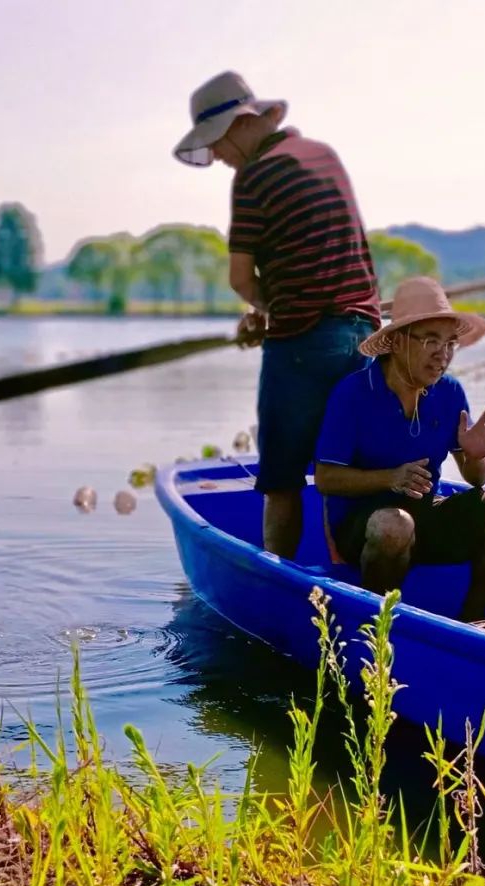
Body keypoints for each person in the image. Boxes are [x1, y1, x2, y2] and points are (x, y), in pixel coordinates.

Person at [173, 71, 379, 557]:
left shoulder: (254, 176)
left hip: (305, 342)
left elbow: (241, 279)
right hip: (365, 334)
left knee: (282, 478)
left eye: (218, 142)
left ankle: (278, 575)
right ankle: (352, 586)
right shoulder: (325, 155)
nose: (220, 157)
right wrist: (273, 308)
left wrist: (265, 310)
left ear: (243, 124)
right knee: (342, 472)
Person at [314, 277, 485, 621]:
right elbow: (326, 478)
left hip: (424, 515)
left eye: (450, 344)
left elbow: (476, 479)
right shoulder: (353, 393)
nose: (442, 355)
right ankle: (377, 628)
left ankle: (472, 619)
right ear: (398, 342)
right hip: (364, 528)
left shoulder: (449, 392)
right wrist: (390, 479)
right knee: (393, 526)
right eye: (431, 341)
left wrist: (476, 455)